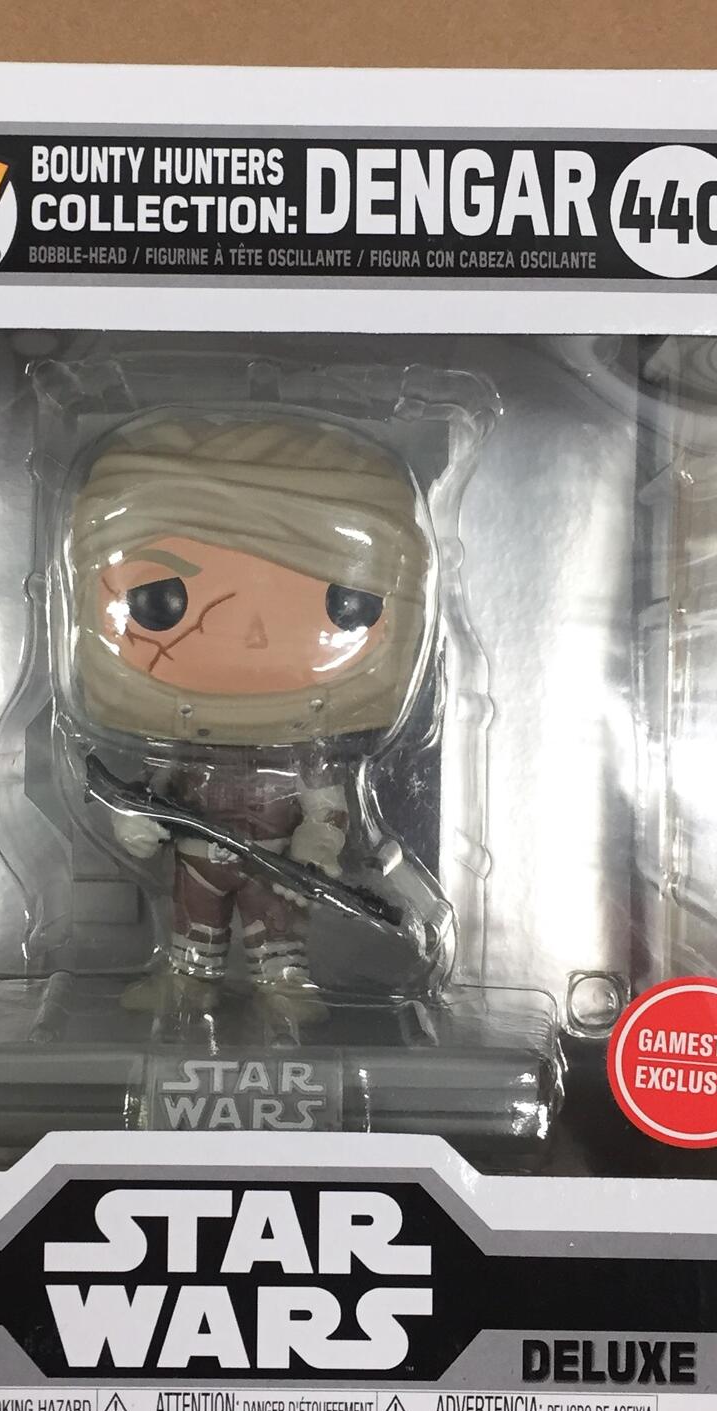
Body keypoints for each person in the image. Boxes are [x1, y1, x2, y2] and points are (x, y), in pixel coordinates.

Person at [66, 412, 434, 1043]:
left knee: (277, 932)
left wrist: (318, 845)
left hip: (274, 859)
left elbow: (326, 806)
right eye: (161, 601)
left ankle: (284, 985)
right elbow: (145, 793)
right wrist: (135, 821)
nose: (257, 636)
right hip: (199, 856)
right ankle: (189, 980)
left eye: (344, 606)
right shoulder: (178, 743)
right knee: (194, 926)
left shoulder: (305, 753)